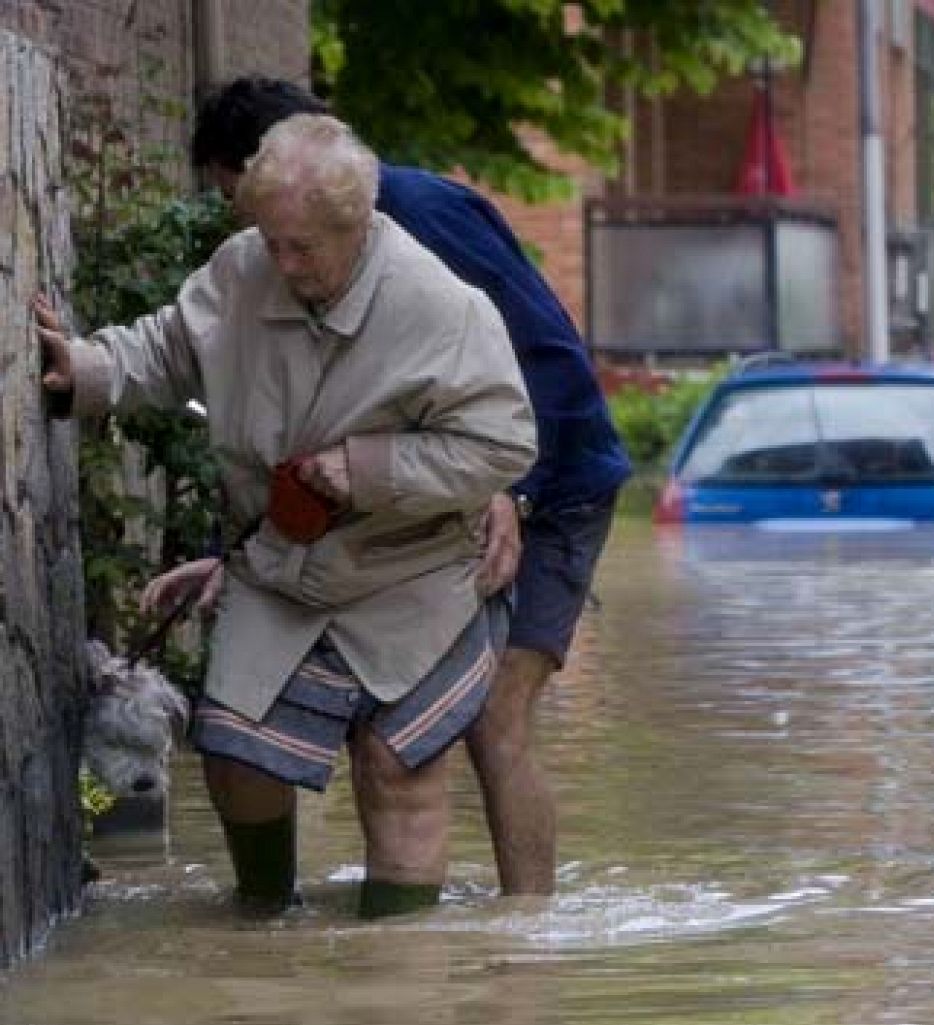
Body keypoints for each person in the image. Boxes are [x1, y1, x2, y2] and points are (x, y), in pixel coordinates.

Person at [35, 114, 539, 917]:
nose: (282, 262)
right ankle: (265, 921)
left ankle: (394, 973)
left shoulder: (445, 309)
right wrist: (87, 369)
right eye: (270, 239)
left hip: (410, 573)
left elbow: (504, 445)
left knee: (395, 766)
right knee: (235, 754)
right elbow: (168, 348)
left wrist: (367, 469)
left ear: (360, 226)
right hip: (280, 563)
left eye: (301, 247)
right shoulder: (245, 268)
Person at [158, 76, 632, 896]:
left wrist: (513, 495)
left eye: (238, 193)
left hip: (554, 483)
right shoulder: (289, 263)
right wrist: (229, 554)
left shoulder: (418, 220)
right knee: (406, 728)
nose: (244, 225)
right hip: (426, 496)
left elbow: (547, 360)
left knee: (490, 716)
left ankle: (529, 949)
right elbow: (280, 433)